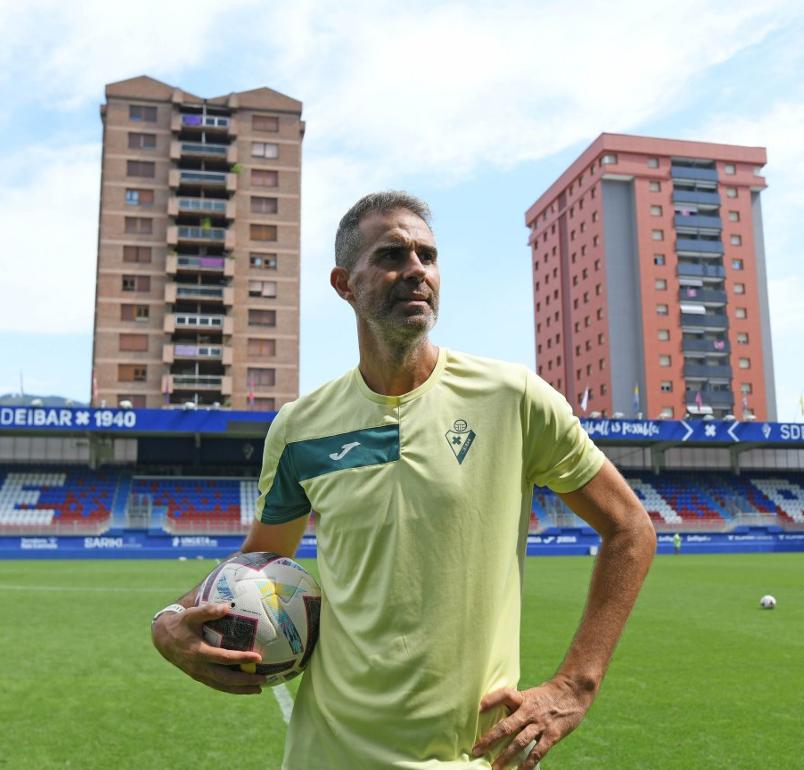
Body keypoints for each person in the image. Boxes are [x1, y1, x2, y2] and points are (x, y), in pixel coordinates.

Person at [152, 191, 655, 769]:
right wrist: (166, 622)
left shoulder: (511, 398)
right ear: (344, 284)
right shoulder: (300, 428)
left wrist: (576, 685)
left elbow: (629, 528)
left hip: (468, 756)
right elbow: (259, 562)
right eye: (393, 254)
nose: (417, 269)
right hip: (327, 755)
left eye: (428, 255)